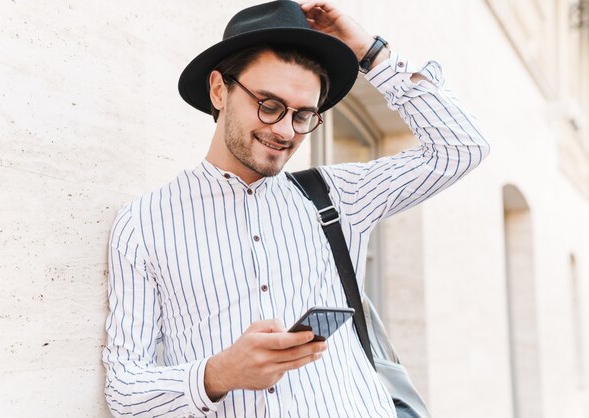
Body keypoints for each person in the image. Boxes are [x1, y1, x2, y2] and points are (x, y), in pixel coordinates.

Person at [102, 1, 490, 417]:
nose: (285, 131)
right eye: (269, 105)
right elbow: (124, 391)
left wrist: (370, 52)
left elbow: (461, 148)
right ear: (219, 90)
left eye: (304, 115)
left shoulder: (340, 195)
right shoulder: (143, 224)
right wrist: (218, 373)